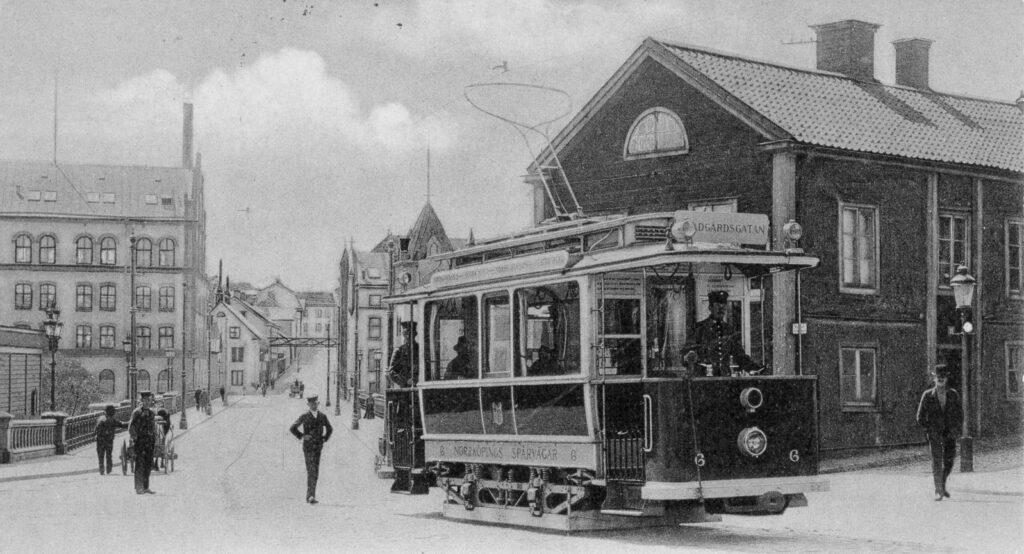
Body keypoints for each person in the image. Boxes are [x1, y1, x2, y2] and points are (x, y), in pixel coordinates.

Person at [916, 364, 963, 501]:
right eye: (938, 377)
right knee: (937, 462)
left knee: (949, 461)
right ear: (934, 379)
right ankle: (938, 490)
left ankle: (942, 484)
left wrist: (956, 429)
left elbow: (960, 415)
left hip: (949, 433)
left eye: (943, 377)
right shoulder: (928, 395)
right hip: (935, 434)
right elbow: (919, 416)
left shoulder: (953, 394)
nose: (941, 379)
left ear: (947, 378)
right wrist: (929, 429)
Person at [687, 291, 761, 376]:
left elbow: (739, 355)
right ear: (710, 307)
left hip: (724, 378)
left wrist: (755, 368)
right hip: (704, 378)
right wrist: (691, 356)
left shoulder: (729, 330)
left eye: (723, 306)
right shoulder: (699, 328)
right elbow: (688, 353)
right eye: (718, 305)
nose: (721, 308)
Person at [289, 395, 333, 504]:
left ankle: (311, 495)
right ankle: (310, 496)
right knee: (311, 470)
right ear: (308, 405)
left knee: (315, 471)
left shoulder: (322, 416)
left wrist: (324, 439)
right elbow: (292, 428)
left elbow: (330, 428)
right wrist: (302, 435)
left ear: (317, 404)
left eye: (315, 404)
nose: (314, 405)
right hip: (308, 447)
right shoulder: (304, 416)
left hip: (318, 446)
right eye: (311, 404)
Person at [128, 391, 159, 494]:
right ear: (141, 401)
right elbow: (131, 427)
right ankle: (138, 487)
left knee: (148, 464)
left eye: (148, 400)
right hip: (140, 442)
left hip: (149, 442)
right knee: (140, 464)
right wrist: (135, 437)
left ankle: (146, 487)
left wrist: (154, 437)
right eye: (145, 400)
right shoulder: (136, 412)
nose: (146, 402)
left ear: (150, 401)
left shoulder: (151, 413)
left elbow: (153, 427)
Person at [94, 404, 126, 475]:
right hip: (108, 440)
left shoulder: (100, 418)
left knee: (100, 455)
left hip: (100, 440)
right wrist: (130, 423)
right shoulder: (112, 420)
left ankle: (101, 470)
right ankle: (109, 469)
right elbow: (121, 424)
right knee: (108, 454)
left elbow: (95, 430)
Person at [387, 321, 419, 387]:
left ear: (415, 334)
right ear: (403, 335)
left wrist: (417, 379)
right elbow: (391, 372)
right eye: (406, 334)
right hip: (405, 389)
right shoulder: (399, 351)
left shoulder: (420, 350)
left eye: (411, 334)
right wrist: (405, 381)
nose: (408, 336)